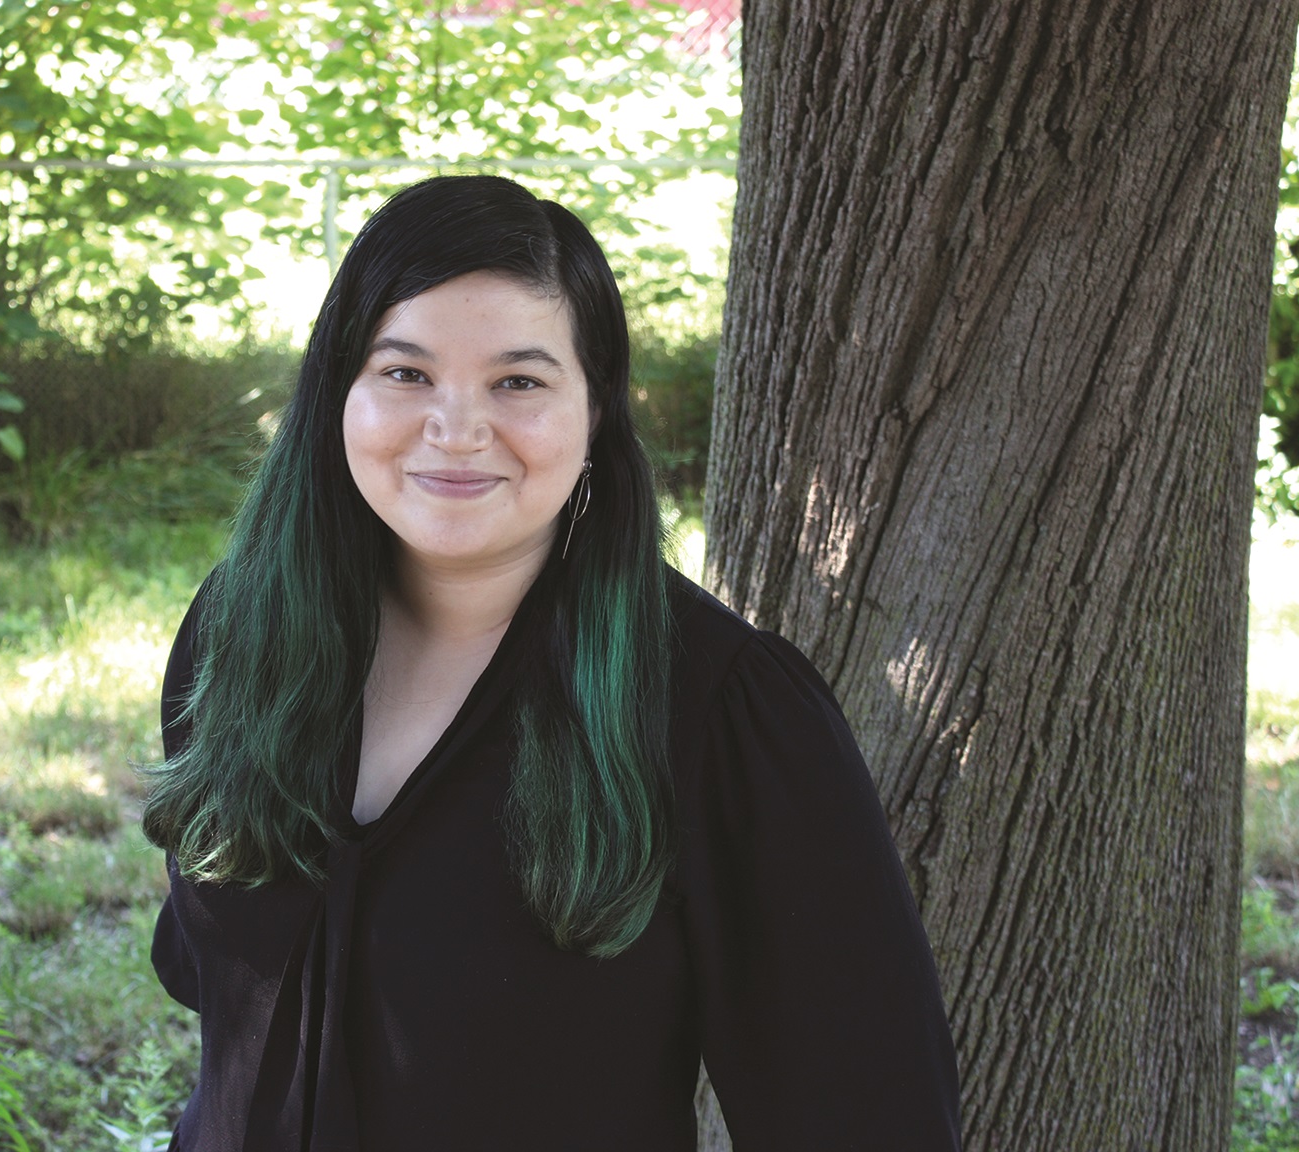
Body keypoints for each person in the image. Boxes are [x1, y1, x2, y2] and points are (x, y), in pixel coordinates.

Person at [143, 174, 962, 1151]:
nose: (455, 427)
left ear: (599, 412)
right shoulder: (238, 635)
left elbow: (865, 1116)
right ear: (339, 393)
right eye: (405, 374)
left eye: (518, 382)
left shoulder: (721, 710)